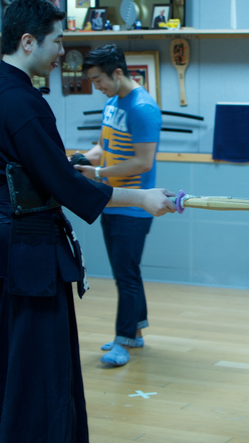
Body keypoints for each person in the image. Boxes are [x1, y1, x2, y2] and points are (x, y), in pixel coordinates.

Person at [0, 0, 175, 443]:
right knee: (35, 362)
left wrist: (71, 163)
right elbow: (62, 183)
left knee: (5, 356)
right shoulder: (22, 101)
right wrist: (142, 199)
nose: (62, 52)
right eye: (57, 41)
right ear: (27, 41)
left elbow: (39, 167)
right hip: (23, 247)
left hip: (5, 235)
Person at [76, 44, 161, 367]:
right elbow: (102, 146)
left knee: (125, 276)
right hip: (110, 200)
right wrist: (80, 159)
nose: (96, 87)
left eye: (99, 80)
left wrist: (96, 173)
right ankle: (135, 333)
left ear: (118, 72)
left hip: (135, 205)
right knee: (127, 273)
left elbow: (142, 162)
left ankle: (123, 341)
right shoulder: (112, 103)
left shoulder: (143, 108)